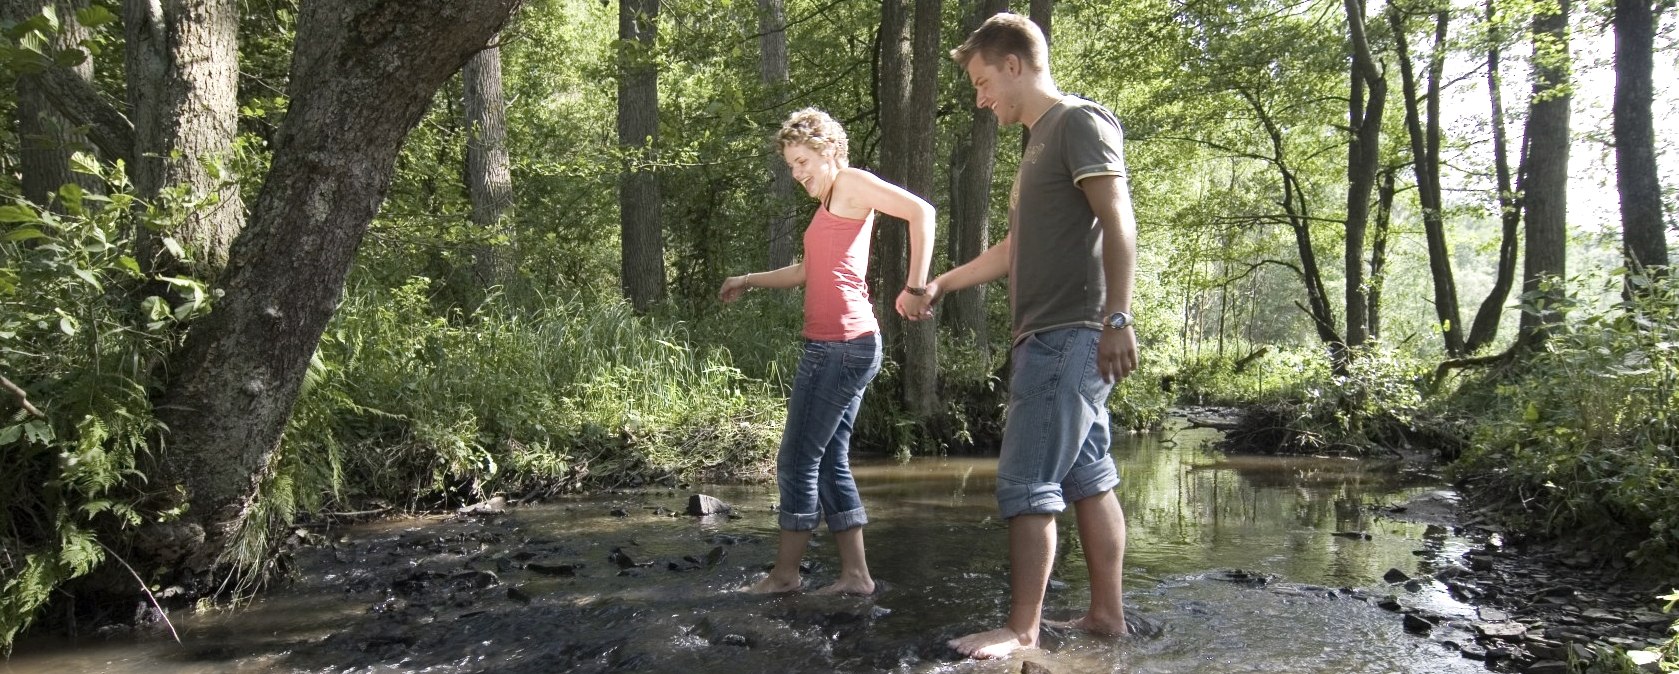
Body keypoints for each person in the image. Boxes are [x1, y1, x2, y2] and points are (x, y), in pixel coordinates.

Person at [907, 11, 1139, 659]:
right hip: (1055, 334)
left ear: (1014, 65)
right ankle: (1104, 617)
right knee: (1089, 477)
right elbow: (1015, 247)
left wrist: (1116, 317)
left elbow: (1117, 218)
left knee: (1025, 477)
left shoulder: (1077, 122)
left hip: (1069, 333)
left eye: (983, 82)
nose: (980, 98)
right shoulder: (1038, 142)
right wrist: (942, 283)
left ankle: (1021, 629)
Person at [719, 108, 936, 595]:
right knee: (831, 458)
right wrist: (747, 280)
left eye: (802, 162)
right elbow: (805, 271)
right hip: (839, 345)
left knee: (796, 460)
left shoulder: (852, 183)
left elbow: (923, 212)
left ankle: (784, 576)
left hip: (841, 345)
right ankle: (856, 576)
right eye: (791, 166)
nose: (797, 174)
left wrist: (917, 285)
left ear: (829, 151)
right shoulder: (829, 206)